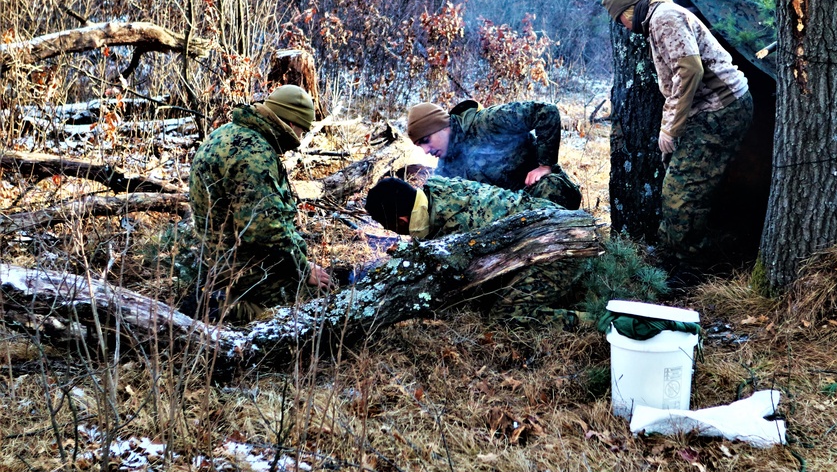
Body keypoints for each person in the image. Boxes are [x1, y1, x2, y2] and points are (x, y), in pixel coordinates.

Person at [602, 0, 753, 266]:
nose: (621, 25)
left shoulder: (664, 18)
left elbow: (689, 70)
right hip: (709, 110)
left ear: (630, 9)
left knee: (680, 194)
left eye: (619, 17)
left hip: (722, 109)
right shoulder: (658, 18)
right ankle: (673, 254)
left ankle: (690, 266)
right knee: (677, 182)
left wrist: (670, 128)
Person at [184, 84, 332, 323]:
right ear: (290, 123)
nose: (300, 138)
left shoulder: (228, 132)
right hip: (245, 268)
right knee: (318, 304)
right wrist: (303, 269)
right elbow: (265, 230)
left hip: (216, 257)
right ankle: (226, 309)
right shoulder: (254, 153)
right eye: (301, 131)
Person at [364, 175, 586, 328]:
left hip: (560, 248)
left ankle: (594, 320)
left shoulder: (453, 228)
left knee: (506, 317)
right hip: (559, 229)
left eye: (392, 227)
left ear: (403, 221)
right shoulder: (440, 192)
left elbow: (466, 292)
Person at [406, 99, 582, 210]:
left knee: (550, 187)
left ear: (443, 126)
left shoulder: (488, 122)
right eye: (420, 146)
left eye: (426, 140)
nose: (426, 151)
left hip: (543, 194)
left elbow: (546, 112)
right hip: (507, 217)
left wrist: (545, 165)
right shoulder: (446, 168)